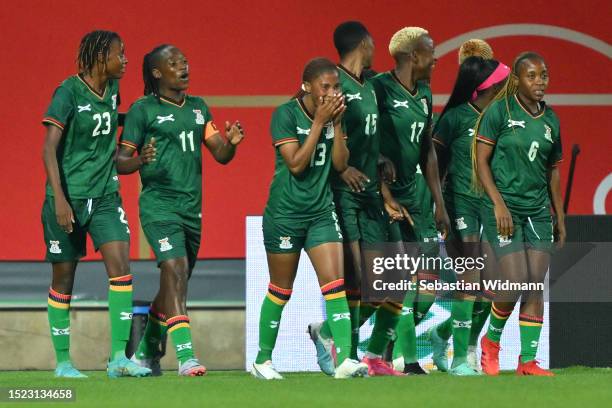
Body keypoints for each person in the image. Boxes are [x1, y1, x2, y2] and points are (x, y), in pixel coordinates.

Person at [117, 44, 244, 376]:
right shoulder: (142, 110)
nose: (183, 67)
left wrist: (230, 142)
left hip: (192, 211)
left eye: (185, 62)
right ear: (157, 72)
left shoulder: (199, 109)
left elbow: (220, 154)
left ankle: (144, 354)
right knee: (174, 269)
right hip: (159, 206)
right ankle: (186, 357)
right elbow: (120, 160)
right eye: (174, 63)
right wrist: (139, 160)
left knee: (174, 282)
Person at [42, 30, 151, 378]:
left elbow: (109, 150)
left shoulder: (113, 91)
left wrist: (138, 158)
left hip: (105, 195)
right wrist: (60, 199)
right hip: (68, 198)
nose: (126, 60)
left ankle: (119, 358)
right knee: (64, 277)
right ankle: (62, 363)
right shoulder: (67, 92)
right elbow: (48, 149)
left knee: (122, 268)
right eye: (121, 53)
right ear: (101, 56)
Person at [252, 57, 369, 380]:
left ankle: (345, 359)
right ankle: (262, 360)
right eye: (325, 87)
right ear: (307, 86)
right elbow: (296, 164)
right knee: (280, 290)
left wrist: (338, 124)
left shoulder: (333, 118)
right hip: (285, 215)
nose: (332, 93)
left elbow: (341, 164)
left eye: (336, 87)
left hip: (320, 212)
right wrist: (319, 123)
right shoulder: (285, 115)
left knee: (335, 286)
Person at [306, 21, 404, 377]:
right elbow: (311, 127)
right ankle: (349, 357)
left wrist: (380, 171)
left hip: (372, 194)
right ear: (365, 42)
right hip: (342, 195)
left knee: (392, 277)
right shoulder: (334, 84)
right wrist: (340, 169)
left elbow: (369, 141)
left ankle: (327, 332)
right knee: (359, 280)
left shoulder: (371, 85)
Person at [474, 52, 564, 376]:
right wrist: (497, 203)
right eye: (532, 76)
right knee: (513, 282)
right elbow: (481, 161)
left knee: (535, 284)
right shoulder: (499, 112)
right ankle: (491, 342)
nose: (539, 82)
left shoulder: (551, 119)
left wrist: (560, 217)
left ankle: (527, 362)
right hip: (504, 207)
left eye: (544, 75)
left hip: (538, 211)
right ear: (516, 79)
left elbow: (552, 172)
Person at [371, 27, 450, 375]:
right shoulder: (379, 89)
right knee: (400, 283)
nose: (436, 58)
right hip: (387, 201)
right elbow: (364, 139)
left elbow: (427, 150)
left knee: (426, 289)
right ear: (412, 56)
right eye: (430, 51)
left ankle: (329, 332)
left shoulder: (425, 93)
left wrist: (439, 202)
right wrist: (382, 190)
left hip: (417, 199)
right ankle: (407, 359)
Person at [428, 56, 510, 375]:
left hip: (493, 209)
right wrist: (439, 206)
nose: (508, 88)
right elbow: (434, 163)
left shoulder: (505, 118)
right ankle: (460, 358)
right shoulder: (455, 118)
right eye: (503, 83)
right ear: (488, 87)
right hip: (461, 207)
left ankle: (444, 332)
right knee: (469, 283)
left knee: (496, 286)